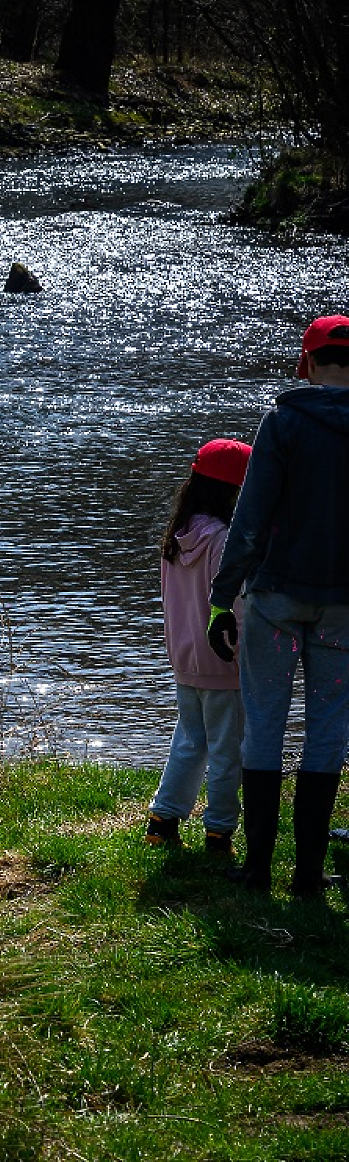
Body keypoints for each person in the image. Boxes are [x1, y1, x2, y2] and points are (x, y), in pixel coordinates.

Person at [208, 314, 349, 896]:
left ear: (308, 361)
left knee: (264, 723)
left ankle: (258, 868)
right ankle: (309, 875)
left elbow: (249, 520)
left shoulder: (283, 421)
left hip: (274, 597)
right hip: (344, 607)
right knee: (328, 730)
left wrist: (222, 597)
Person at [144, 438, 251, 855]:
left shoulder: (179, 534)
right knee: (227, 752)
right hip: (224, 662)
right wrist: (247, 657)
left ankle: (163, 817)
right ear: (234, 492)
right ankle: (219, 831)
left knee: (190, 740)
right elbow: (232, 607)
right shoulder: (223, 539)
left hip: (185, 659)